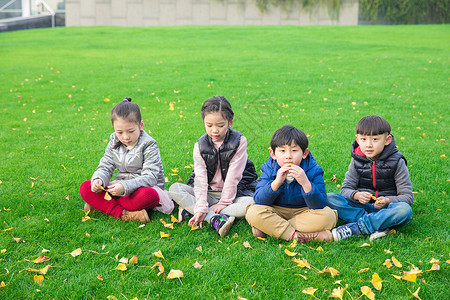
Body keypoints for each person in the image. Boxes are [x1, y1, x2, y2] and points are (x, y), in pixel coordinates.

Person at [169, 96, 258, 237]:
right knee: (175, 189)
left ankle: (193, 210)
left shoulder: (239, 141)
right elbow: (200, 178)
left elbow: (234, 176)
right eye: (209, 125)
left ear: (230, 122)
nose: (214, 130)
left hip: (234, 194)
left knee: (252, 203)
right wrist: (202, 204)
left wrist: (224, 202)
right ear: (203, 122)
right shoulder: (199, 146)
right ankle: (214, 218)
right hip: (209, 193)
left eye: (220, 125)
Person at [79, 98, 174, 223]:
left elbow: (150, 177)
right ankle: (126, 214)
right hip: (120, 186)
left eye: (130, 131)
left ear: (141, 125)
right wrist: (99, 179)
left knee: (149, 196)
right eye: (119, 132)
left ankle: (102, 206)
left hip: (143, 188)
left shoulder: (149, 144)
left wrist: (124, 187)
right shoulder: (114, 140)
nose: (125, 137)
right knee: (86, 187)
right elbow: (106, 165)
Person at [327, 115, 413, 241]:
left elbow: (407, 197)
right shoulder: (356, 160)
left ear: (387, 140)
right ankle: (378, 223)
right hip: (362, 207)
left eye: (374, 139)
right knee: (329, 198)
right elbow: (345, 189)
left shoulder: (397, 162)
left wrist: (387, 200)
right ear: (357, 139)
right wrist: (357, 195)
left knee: (405, 210)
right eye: (363, 139)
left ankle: (357, 228)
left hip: (386, 208)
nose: (368, 145)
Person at [245, 125, 337, 243]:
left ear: (304, 153)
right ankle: (298, 237)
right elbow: (259, 200)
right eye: (282, 151)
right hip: (276, 209)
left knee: (329, 216)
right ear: (273, 154)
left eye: (294, 150)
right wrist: (276, 182)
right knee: (253, 212)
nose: (288, 156)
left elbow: (319, 204)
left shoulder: (314, 170)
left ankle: (270, 229)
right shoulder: (268, 169)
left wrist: (305, 182)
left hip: (304, 211)